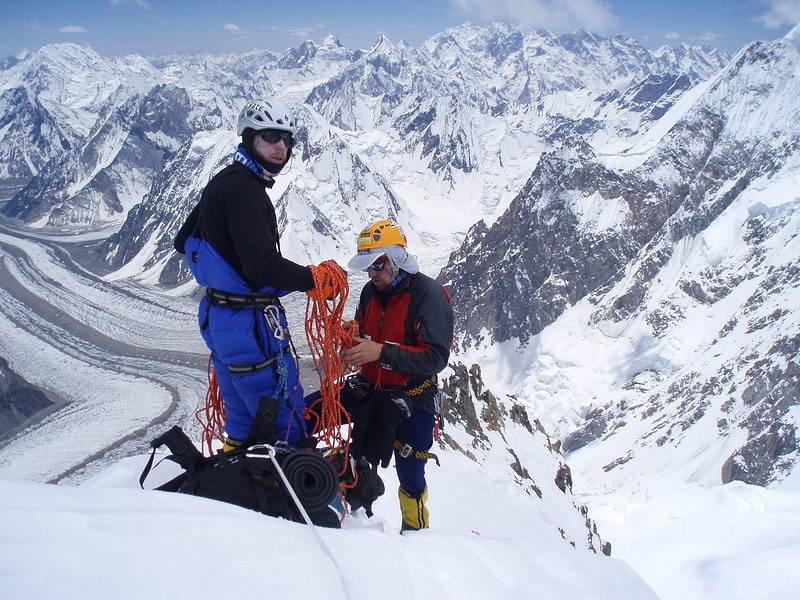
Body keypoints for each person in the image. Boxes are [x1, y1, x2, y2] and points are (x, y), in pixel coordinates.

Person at [174, 97, 330, 451]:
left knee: (242, 417)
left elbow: (182, 241)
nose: (281, 147)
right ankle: (284, 495)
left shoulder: (225, 181)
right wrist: (313, 279)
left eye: (288, 139)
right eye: (271, 136)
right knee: (282, 415)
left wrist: (223, 271)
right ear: (249, 139)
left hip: (218, 318)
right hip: (248, 323)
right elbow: (262, 267)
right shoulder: (247, 191)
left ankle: (235, 481)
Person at [342, 219, 453, 531]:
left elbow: (436, 357)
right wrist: (351, 347)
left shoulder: (428, 295)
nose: (372, 274)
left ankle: (416, 532)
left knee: (411, 471)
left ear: (397, 258)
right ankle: (353, 517)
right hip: (371, 390)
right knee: (355, 453)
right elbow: (365, 333)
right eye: (369, 267)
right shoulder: (370, 291)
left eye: (378, 265)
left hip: (412, 399)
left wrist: (381, 353)